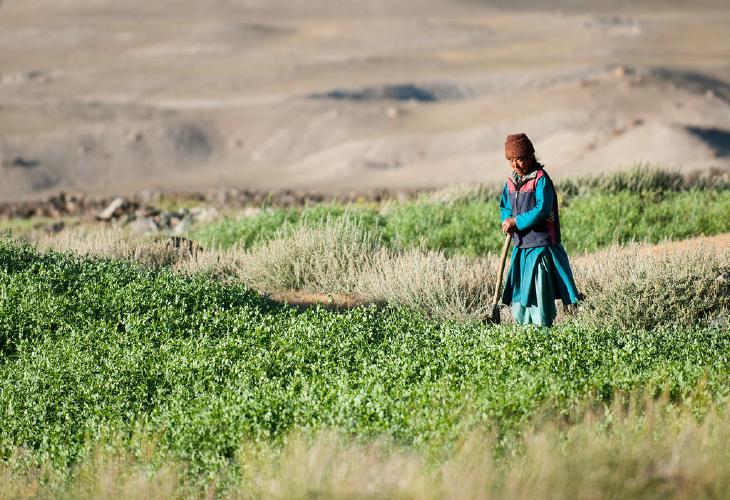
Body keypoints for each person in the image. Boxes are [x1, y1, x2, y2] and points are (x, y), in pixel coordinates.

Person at [499, 133, 580, 327]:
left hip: (540, 245)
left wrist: (516, 221)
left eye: (519, 160)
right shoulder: (511, 182)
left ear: (530, 157)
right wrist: (506, 221)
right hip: (521, 246)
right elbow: (505, 206)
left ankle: (543, 329)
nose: (515, 165)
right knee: (521, 291)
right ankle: (525, 329)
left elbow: (543, 209)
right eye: (510, 161)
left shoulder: (541, 180)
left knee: (539, 292)